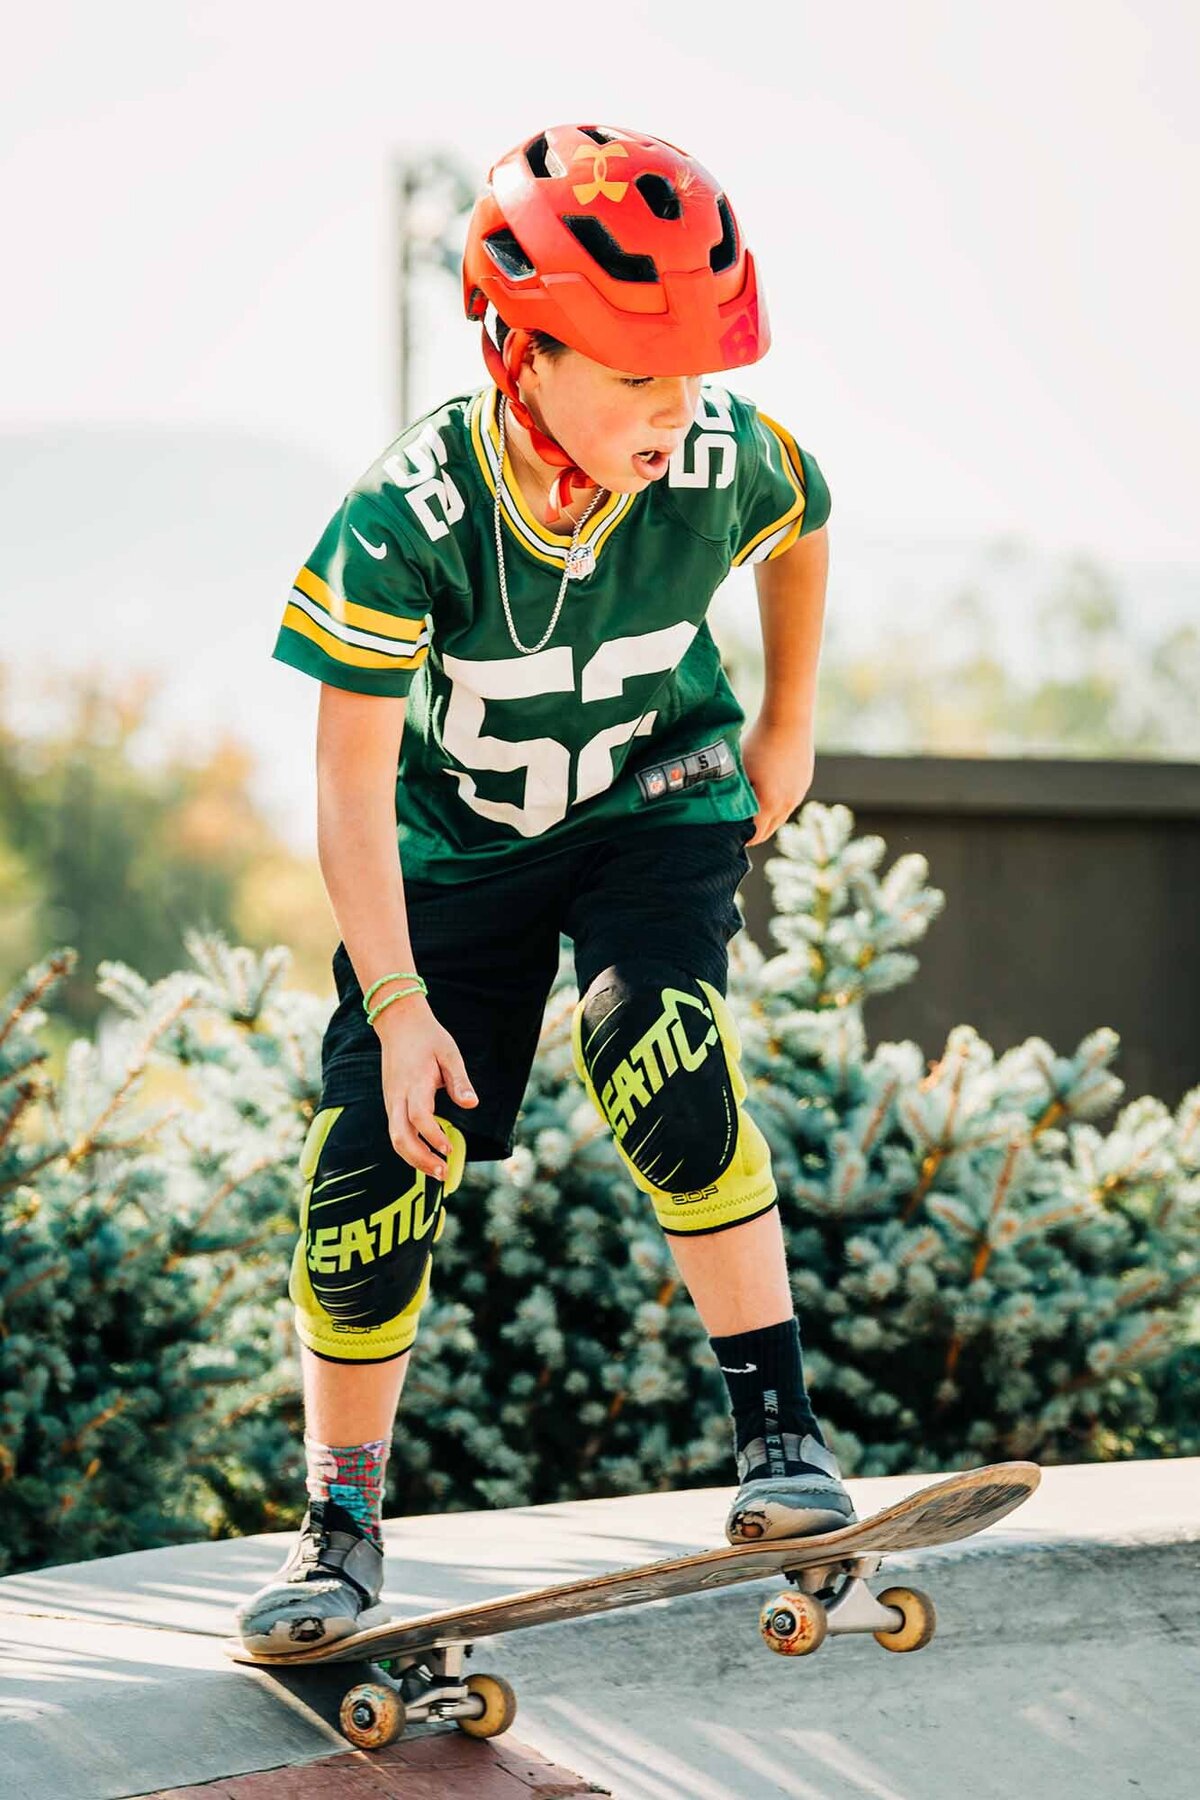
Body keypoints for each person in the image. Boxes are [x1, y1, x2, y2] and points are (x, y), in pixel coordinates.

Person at [236, 122, 855, 1655]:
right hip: (455, 853)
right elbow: (345, 786)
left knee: (661, 1050)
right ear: (522, 352)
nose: (678, 409)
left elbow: (806, 512)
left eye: (694, 370)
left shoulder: (716, 460)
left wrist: (786, 719)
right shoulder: (407, 520)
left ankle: (781, 1440)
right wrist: (394, 1005)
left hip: (655, 804)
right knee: (373, 1169)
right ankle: (343, 1522)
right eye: (639, 375)